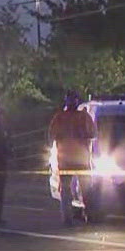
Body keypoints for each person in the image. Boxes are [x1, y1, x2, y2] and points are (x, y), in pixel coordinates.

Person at [47, 91, 96, 225]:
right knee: (83, 189)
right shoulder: (82, 117)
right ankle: (88, 216)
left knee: (68, 190)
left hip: (68, 159)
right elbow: (92, 134)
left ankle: (69, 218)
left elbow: (51, 136)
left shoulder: (60, 118)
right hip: (79, 159)